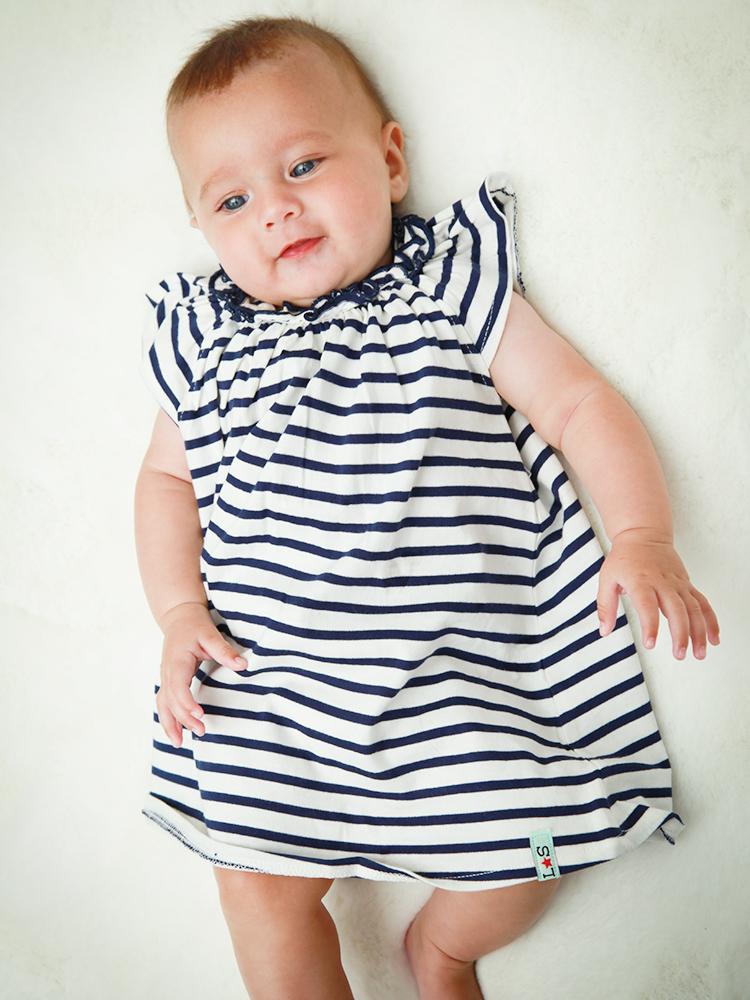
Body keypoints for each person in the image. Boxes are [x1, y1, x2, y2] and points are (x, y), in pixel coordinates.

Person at [133, 15, 720, 1000]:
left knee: (528, 853)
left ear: (391, 159)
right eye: (232, 198)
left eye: (305, 164)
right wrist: (177, 612)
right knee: (255, 885)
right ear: (202, 229)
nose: (274, 209)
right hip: (279, 686)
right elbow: (163, 481)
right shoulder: (206, 339)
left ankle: (443, 948)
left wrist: (641, 533)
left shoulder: (447, 283)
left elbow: (577, 404)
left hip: (464, 680)